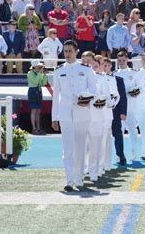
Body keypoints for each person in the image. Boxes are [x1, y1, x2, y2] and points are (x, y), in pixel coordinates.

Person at [51, 40, 97, 191]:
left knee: (80, 147)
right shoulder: (58, 71)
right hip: (65, 113)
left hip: (82, 112)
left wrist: (87, 99)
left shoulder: (86, 69)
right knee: (67, 148)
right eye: (65, 51)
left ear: (76, 51)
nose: (67, 53)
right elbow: (55, 95)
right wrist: (54, 116)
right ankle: (69, 180)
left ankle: (79, 178)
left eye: (70, 50)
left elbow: (93, 90)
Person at [114, 51, 139, 160]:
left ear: (127, 60)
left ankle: (134, 151)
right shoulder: (114, 74)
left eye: (123, 60)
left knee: (133, 130)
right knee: (119, 131)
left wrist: (135, 92)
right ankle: (121, 154)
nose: (121, 62)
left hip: (132, 106)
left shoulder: (134, 73)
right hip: (119, 107)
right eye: (119, 61)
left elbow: (139, 87)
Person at [104, 58, 127, 166]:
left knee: (117, 133)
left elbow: (123, 97)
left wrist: (123, 112)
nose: (104, 68)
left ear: (110, 66)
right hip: (102, 110)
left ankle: (120, 155)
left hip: (115, 111)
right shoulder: (96, 78)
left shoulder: (118, 79)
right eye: (102, 65)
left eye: (106, 65)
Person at [27, 60, 48, 135]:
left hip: (38, 91)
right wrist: (40, 73)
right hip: (33, 91)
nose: (40, 67)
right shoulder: (30, 73)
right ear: (34, 66)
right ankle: (34, 128)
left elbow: (43, 83)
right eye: (38, 66)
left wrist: (45, 75)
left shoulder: (39, 73)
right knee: (34, 110)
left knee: (38, 111)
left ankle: (38, 127)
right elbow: (35, 82)